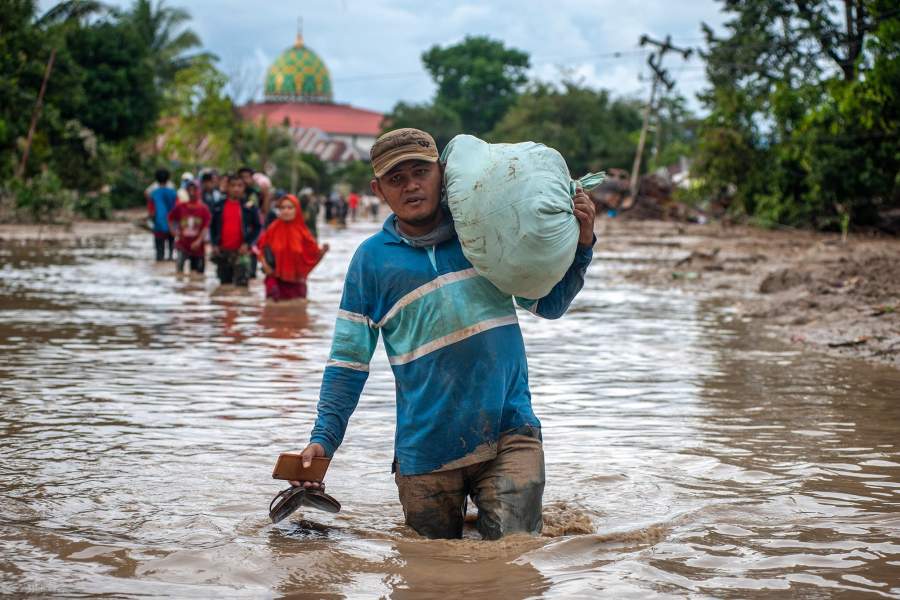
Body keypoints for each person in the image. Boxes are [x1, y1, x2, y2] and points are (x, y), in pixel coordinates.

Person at [289, 128, 597, 540]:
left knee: (515, 558)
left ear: (442, 173)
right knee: (429, 569)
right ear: (378, 189)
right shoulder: (371, 262)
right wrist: (323, 440)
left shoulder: (483, 236)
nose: (412, 185)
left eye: (421, 172)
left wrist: (583, 244)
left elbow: (549, 304)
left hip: (510, 430)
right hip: (426, 450)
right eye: (397, 179)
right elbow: (348, 363)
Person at [256, 194, 329, 301]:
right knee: (272, 311)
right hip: (274, 280)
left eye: (290, 207)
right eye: (282, 208)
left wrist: (322, 252)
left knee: (297, 312)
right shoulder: (272, 229)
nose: (286, 211)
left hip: (296, 282)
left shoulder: (303, 233)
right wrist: (265, 265)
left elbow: (313, 256)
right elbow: (261, 249)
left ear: (297, 210)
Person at [209, 175, 261, 286]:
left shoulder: (249, 207)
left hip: (241, 252)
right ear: (227, 187)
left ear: (244, 188)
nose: (236, 189)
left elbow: (258, 227)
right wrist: (214, 244)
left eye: (240, 186)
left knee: (242, 286)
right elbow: (212, 227)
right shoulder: (218, 206)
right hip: (223, 252)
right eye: (233, 185)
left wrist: (248, 244)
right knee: (224, 285)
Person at [168, 181, 211, 275]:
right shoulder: (180, 207)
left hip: (198, 247)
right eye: (189, 190)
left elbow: (206, 227)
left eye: (194, 190)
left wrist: (199, 241)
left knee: (198, 275)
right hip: (182, 244)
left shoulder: (203, 209)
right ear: (186, 191)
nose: (192, 193)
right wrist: (173, 232)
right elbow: (170, 218)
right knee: (179, 272)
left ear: (199, 191)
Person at [147, 168, 177, 261]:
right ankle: (170, 258)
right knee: (171, 252)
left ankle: (160, 263)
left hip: (159, 225)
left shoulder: (153, 194)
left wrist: (151, 220)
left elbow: (151, 211)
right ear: (168, 179)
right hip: (171, 225)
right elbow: (177, 208)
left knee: (159, 253)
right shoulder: (173, 193)